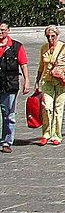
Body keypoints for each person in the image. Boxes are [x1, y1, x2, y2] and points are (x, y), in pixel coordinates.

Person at [34, 26, 65, 146]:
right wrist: (37, 81)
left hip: (61, 81)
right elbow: (41, 65)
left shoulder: (64, 48)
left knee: (58, 108)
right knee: (47, 107)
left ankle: (56, 135)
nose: (50, 39)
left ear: (57, 36)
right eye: (48, 36)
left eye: (53, 36)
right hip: (47, 80)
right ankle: (46, 134)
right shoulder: (44, 48)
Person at [0, 22, 30, 153]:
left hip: (9, 84)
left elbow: (23, 65)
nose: (1, 32)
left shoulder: (16, 46)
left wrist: (26, 81)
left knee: (9, 116)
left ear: (8, 30)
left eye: (3, 30)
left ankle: (7, 142)